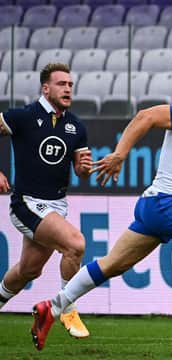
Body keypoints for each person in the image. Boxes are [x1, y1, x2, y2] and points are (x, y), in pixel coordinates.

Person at [30, 66, 172, 351]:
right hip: (166, 203)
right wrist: (120, 155)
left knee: (111, 264)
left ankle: (53, 306)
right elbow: (145, 116)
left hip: (154, 205)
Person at [0, 63, 92, 341]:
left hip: (56, 204)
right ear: (45, 88)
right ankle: (66, 308)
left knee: (29, 270)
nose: (67, 89)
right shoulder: (24, 116)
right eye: (61, 84)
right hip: (27, 202)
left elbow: (80, 169)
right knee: (75, 245)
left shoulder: (75, 126)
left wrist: (85, 168)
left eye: (70, 85)